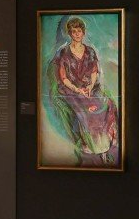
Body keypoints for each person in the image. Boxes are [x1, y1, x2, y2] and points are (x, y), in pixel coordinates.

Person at [47, 17, 119, 166]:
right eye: (73, 31)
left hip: (89, 88)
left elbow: (94, 72)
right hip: (70, 90)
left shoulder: (90, 51)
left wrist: (90, 87)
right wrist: (77, 89)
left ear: (83, 32)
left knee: (108, 104)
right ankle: (91, 146)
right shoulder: (64, 53)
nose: (77, 34)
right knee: (87, 111)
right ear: (69, 33)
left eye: (79, 31)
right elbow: (63, 78)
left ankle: (106, 146)